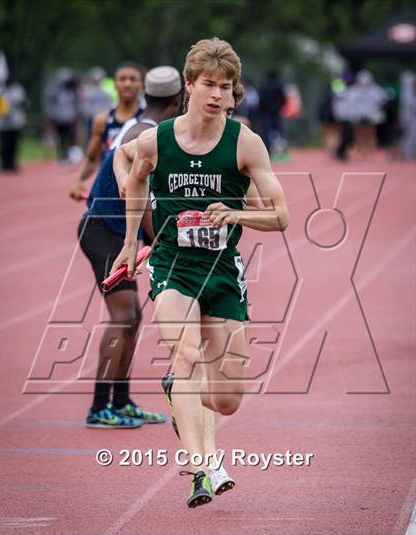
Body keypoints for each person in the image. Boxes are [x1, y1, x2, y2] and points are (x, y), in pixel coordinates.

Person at [111, 38, 289, 508]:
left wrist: (237, 215)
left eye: (225, 87)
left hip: (222, 270)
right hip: (173, 265)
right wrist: (132, 243)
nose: (216, 94)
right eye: (208, 84)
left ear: (234, 94)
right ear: (188, 86)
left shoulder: (245, 144)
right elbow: (129, 168)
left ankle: (180, 390)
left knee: (228, 399)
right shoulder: (157, 139)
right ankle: (201, 465)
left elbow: (281, 216)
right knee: (185, 351)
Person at [75, 66, 182, 428]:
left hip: (113, 230)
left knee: (132, 319)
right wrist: (163, 241)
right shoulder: (146, 134)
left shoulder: (141, 127)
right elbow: (144, 195)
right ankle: (98, 407)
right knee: (122, 318)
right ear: (178, 102)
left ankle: (120, 401)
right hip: (104, 230)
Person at [71, 62, 144, 198]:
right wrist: (78, 180)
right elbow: (92, 159)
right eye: (122, 79)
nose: (127, 83)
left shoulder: (148, 120)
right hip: (108, 190)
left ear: (141, 85)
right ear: (115, 84)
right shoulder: (102, 120)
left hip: (138, 191)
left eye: (133, 79)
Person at [0, 77, 27, 171]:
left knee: (14, 144)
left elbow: (23, 104)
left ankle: (12, 163)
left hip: (15, 123)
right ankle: (4, 164)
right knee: (4, 145)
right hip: (3, 123)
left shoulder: (18, 90)